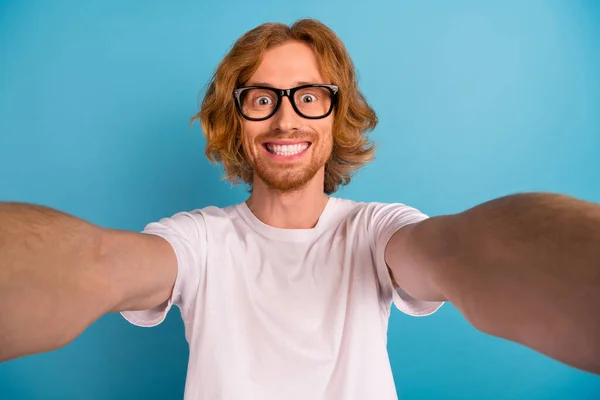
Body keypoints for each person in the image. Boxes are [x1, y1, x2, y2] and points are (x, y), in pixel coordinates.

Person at [0, 18, 599, 400]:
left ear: (337, 117)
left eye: (309, 97)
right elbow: (99, 261)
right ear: (236, 120)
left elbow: (463, 251)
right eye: (262, 98)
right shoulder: (198, 242)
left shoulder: (375, 232)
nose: (286, 119)